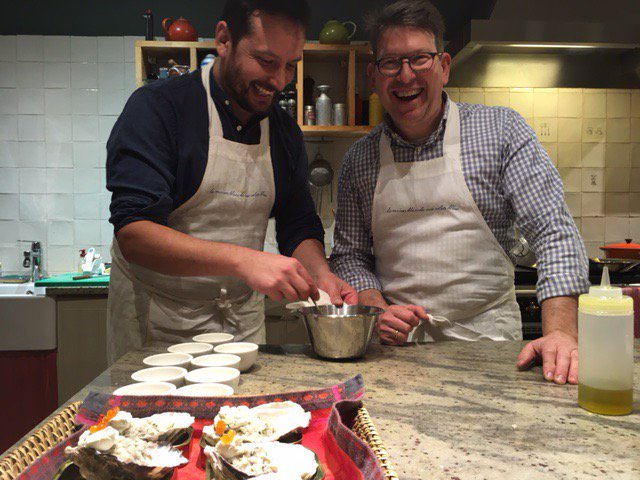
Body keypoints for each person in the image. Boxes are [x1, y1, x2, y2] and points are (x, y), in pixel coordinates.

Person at [330, 0, 589, 384]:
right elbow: (350, 257)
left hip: (493, 349)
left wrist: (562, 333)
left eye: (420, 59)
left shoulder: (501, 132)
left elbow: (554, 233)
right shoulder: (359, 160)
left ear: (444, 66)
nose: (405, 76)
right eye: (391, 63)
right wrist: (376, 308)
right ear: (373, 75)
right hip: (397, 360)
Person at [105, 0, 356, 363]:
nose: (280, 81)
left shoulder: (283, 132)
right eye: (267, 62)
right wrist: (244, 261)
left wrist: (321, 276)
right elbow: (135, 234)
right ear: (224, 39)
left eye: (290, 66)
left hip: (240, 324)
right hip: (157, 322)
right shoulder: (159, 109)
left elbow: (297, 221)